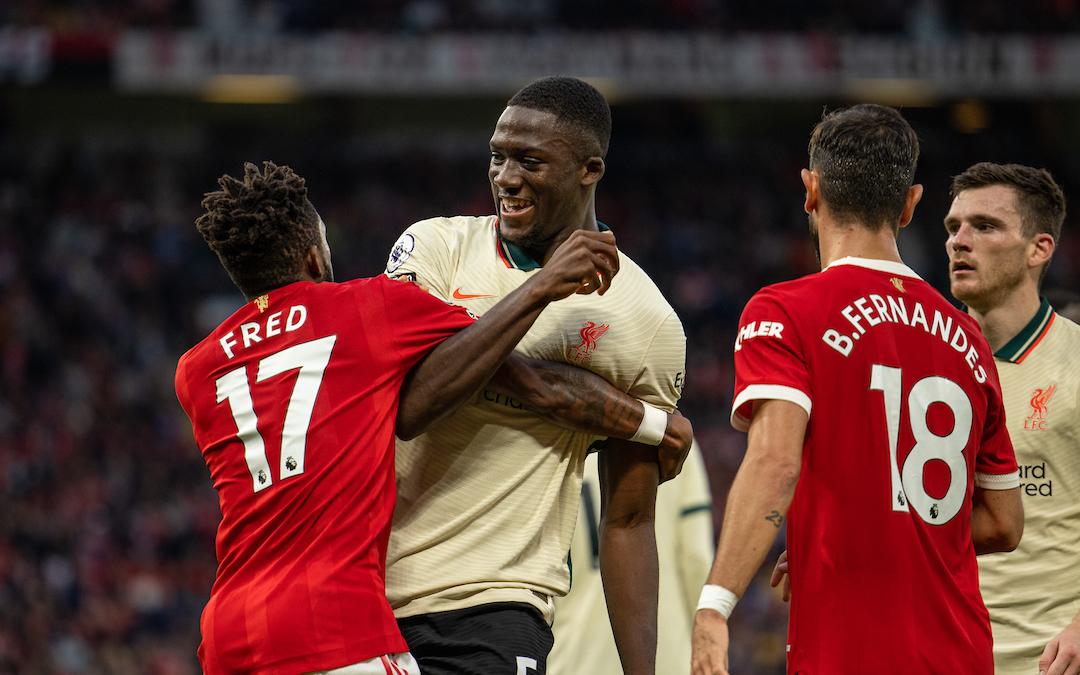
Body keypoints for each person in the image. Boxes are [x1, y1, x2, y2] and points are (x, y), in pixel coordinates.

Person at [174, 161, 674, 675]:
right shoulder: (369, 308)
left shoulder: (195, 371)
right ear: (314, 256)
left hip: (228, 631)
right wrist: (652, 422)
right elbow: (528, 379)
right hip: (334, 622)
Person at [690, 104, 1024, 675]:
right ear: (911, 204)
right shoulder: (969, 338)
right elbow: (1002, 523)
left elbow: (775, 460)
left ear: (810, 189)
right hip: (961, 653)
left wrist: (715, 605)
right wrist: (866, 529)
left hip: (849, 654)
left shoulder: (785, 310)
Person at [383, 76, 687, 675]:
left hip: (500, 603)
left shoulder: (646, 321)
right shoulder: (432, 248)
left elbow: (629, 520)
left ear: (589, 170)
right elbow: (413, 403)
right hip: (370, 594)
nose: (505, 177)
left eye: (530, 161)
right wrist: (542, 289)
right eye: (497, 156)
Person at [944, 162, 1080, 675]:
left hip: (1046, 661)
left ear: (1038, 249)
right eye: (953, 227)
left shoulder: (1076, 363)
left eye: (985, 226)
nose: (960, 241)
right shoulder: (917, 361)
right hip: (937, 652)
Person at [549, 441, 713, 675]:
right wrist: (708, 644)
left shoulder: (556, 441)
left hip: (574, 657)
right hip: (667, 655)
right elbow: (697, 560)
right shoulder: (673, 437)